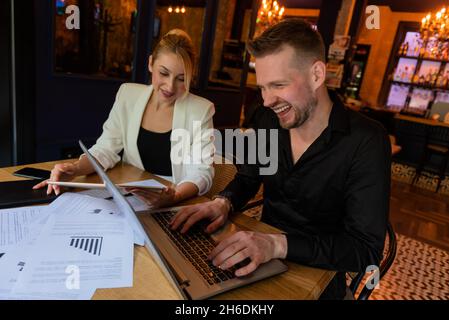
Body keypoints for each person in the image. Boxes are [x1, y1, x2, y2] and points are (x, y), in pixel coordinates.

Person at [170, 19, 391, 299]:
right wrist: (222, 202)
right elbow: (249, 176)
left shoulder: (367, 141)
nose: (266, 100)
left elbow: (364, 250)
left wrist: (276, 245)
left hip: (319, 279)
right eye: (263, 87)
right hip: (258, 260)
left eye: (278, 85)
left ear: (317, 75)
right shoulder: (268, 119)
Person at [34, 29, 215, 208]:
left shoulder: (200, 110)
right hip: (130, 199)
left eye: (181, 79)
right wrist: (74, 170)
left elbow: (201, 172)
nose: (170, 86)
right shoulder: (128, 95)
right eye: (164, 73)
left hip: (173, 202)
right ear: (151, 63)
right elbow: (105, 149)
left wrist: (174, 196)